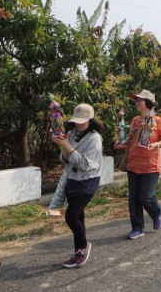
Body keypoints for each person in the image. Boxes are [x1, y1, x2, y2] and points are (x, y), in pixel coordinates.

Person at [52, 103, 103, 268]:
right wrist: (63, 146)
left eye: (83, 121)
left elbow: (86, 164)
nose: (79, 124)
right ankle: (78, 252)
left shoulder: (94, 138)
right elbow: (65, 159)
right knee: (79, 216)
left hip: (87, 181)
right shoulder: (72, 133)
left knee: (71, 216)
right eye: (76, 121)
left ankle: (83, 246)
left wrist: (66, 145)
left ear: (90, 119)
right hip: (72, 179)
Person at [116, 90, 161, 240]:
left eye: (141, 100)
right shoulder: (134, 120)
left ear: (149, 104)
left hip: (150, 165)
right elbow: (131, 138)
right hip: (133, 163)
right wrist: (122, 144)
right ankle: (137, 228)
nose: (137, 102)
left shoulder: (158, 121)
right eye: (137, 100)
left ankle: (156, 212)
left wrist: (156, 144)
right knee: (133, 198)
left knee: (146, 196)